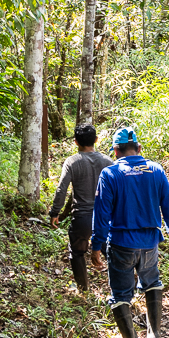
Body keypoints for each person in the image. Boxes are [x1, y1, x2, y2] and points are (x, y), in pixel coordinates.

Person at [91, 127, 169, 338]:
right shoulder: (156, 170)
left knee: (121, 295)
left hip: (121, 244)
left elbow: (102, 214)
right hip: (150, 243)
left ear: (116, 151)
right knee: (152, 282)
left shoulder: (110, 174)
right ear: (139, 149)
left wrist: (96, 245)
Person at [48, 124, 114, 291]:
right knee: (112, 253)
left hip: (82, 218)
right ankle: (119, 290)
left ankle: (83, 289)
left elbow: (61, 189)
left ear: (76, 142)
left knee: (77, 252)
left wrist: (55, 211)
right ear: (96, 140)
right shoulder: (108, 162)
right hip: (106, 217)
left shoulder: (72, 162)